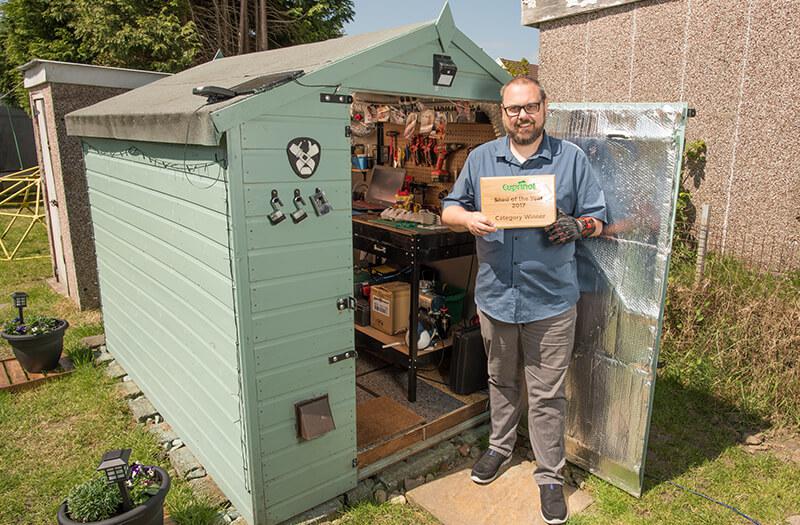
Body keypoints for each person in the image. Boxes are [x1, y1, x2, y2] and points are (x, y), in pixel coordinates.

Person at [441, 76, 606, 525]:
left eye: (530, 107)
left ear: (544, 107)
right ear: (503, 112)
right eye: (513, 109)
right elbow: (448, 208)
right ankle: (499, 446)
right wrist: (469, 219)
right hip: (496, 298)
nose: (522, 116)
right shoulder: (481, 159)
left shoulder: (570, 160)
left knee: (547, 393)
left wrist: (578, 226)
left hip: (551, 303)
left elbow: (597, 217)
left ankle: (550, 474)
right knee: (500, 380)